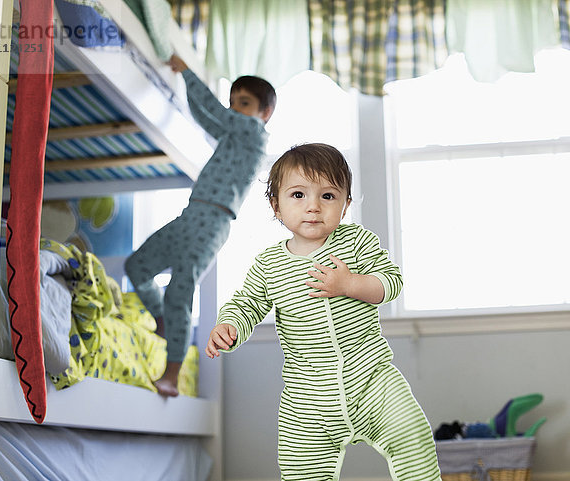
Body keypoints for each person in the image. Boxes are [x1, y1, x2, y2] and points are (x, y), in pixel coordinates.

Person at [206, 143, 442, 480]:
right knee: (300, 470)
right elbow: (248, 303)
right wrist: (229, 325)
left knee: (412, 436)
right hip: (307, 398)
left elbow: (392, 282)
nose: (313, 206)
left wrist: (351, 285)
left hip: (371, 378)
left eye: (328, 196)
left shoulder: (357, 242)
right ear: (276, 205)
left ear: (345, 205)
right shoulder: (269, 264)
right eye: (298, 195)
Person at [125, 54, 276, 397]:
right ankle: (162, 319)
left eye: (245, 103)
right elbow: (205, 115)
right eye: (233, 102)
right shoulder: (230, 136)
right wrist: (187, 85)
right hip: (191, 214)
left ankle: (172, 374)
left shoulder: (254, 135)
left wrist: (189, 74)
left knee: (180, 290)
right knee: (137, 265)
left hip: (213, 221)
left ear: (263, 113)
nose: (236, 109)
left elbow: (216, 113)